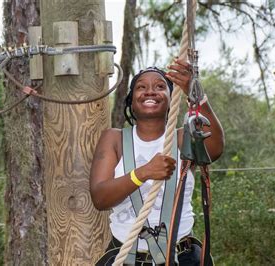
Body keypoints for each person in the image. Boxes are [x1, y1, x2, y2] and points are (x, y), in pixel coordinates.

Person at [90, 59, 224, 265]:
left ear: (171, 100)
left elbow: (215, 149)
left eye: (160, 87)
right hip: (128, 257)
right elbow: (100, 198)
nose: (150, 91)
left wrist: (195, 92)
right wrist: (142, 173)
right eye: (141, 87)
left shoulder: (182, 138)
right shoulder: (114, 139)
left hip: (181, 257)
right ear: (131, 102)